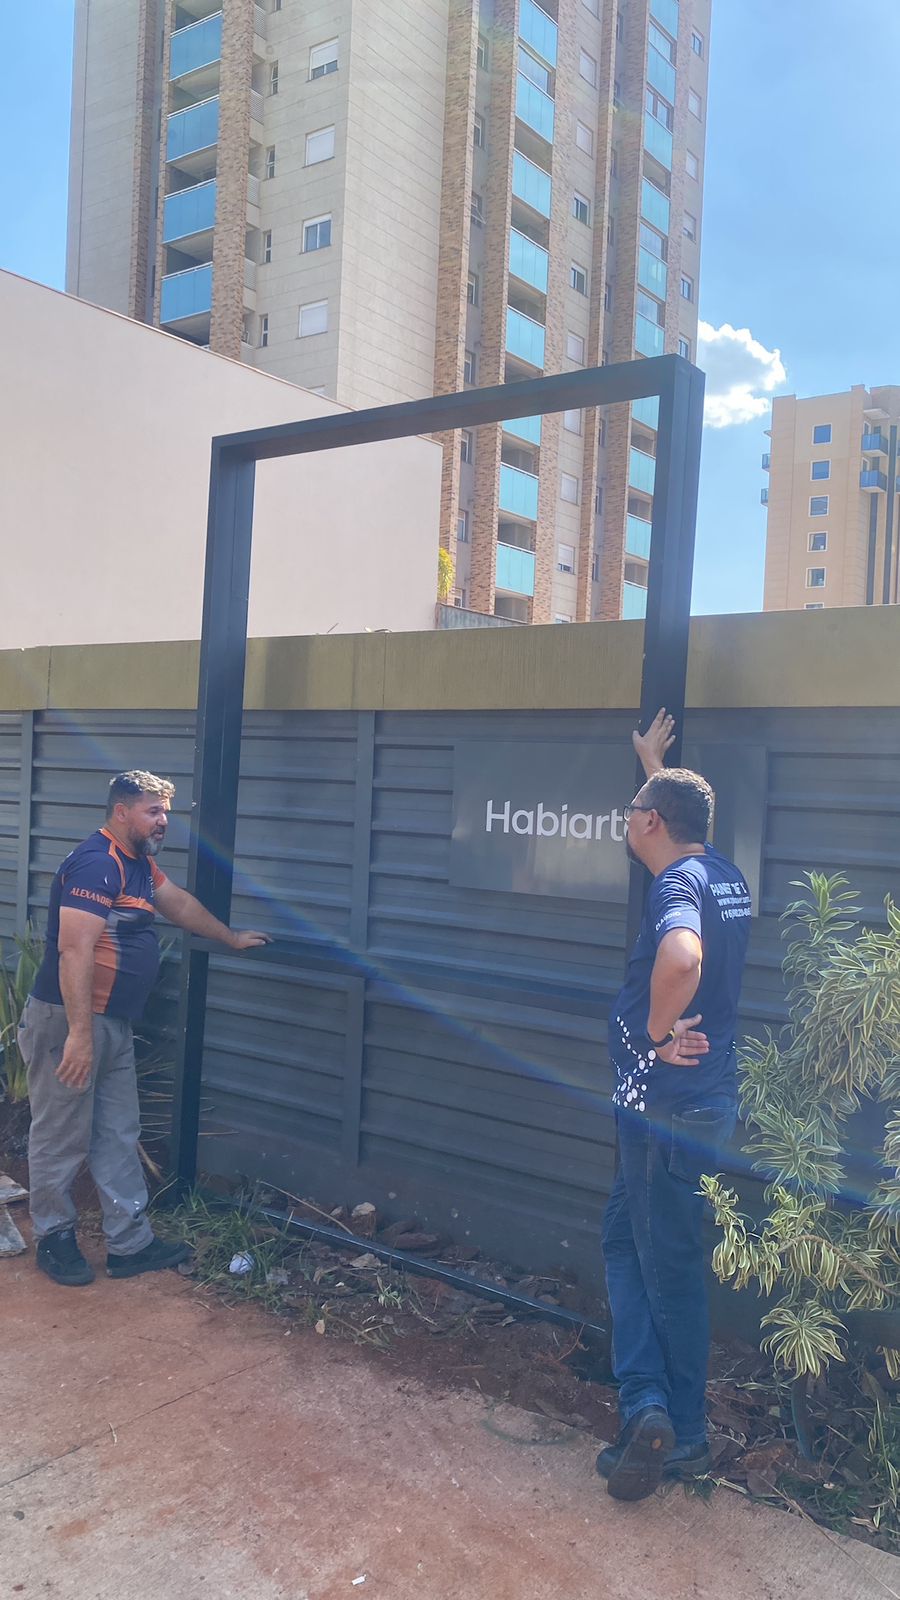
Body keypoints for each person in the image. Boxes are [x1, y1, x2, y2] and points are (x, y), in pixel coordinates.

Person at [20, 770, 270, 1288]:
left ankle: (129, 1244)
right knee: (60, 1134)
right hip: (70, 1021)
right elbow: (74, 950)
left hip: (112, 1023)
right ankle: (55, 1238)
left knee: (117, 1133)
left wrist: (228, 937)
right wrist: (79, 1035)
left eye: (165, 812)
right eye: (153, 811)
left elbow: (178, 903)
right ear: (121, 812)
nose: (163, 821)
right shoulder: (98, 863)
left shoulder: (139, 865)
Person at [596, 711, 751, 1503]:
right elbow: (682, 823)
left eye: (635, 810)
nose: (627, 819)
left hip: (662, 1109)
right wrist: (654, 765)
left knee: (670, 1268)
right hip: (697, 1106)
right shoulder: (723, 873)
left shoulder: (678, 886)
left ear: (652, 822)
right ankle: (649, 1403)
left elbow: (682, 955)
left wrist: (656, 1035)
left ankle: (678, 1429)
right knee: (629, 1243)